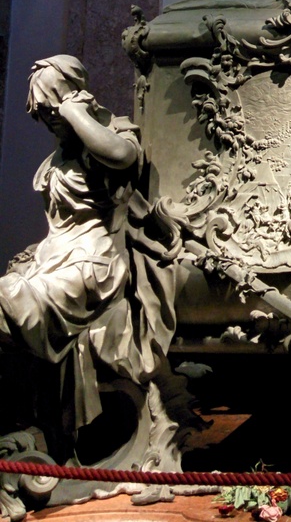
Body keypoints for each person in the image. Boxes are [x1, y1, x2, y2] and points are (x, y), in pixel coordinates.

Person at [0, 56, 180, 450]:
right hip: (52, 261)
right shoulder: (61, 154)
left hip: (92, 267)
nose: (49, 119)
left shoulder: (112, 137)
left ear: (73, 96)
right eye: (42, 112)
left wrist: (75, 111)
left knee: (7, 302)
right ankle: (35, 425)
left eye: (52, 108)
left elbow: (121, 157)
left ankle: (52, 433)